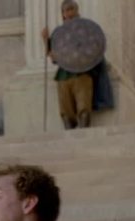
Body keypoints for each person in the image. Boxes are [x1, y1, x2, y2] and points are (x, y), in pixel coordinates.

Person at [42, 1, 113, 129]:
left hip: (83, 73)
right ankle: (69, 135)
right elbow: (53, 56)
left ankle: (84, 133)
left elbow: (95, 47)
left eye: (71, 9)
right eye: (66, 10)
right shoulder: (59, 33)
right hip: (63, 75)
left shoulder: (87, 28)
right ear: (63, 14)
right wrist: (45, 39)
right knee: (66, 111)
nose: (69, 12)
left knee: (84, 108)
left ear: (76, 10)